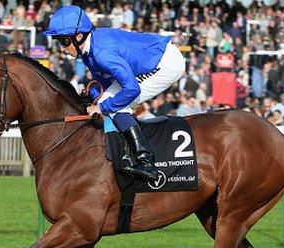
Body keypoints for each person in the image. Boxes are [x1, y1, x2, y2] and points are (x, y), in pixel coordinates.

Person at [45, 5, 186, 180]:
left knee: (114, 104)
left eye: (64, 41)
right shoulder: (89, 50)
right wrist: (92, 96)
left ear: (78, 36)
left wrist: (101, 108)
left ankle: (146, 163)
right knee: (108, 99)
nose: (62, 48)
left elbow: (131, 89)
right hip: (153, 56)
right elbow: (105, 82)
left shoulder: (102, 53)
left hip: (166, 63)